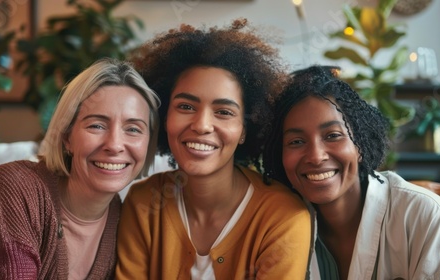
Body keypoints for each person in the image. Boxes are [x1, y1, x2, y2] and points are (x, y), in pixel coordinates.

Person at [116, 19, 312, 279]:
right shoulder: (144, 203)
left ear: (245, 128)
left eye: (223, 112)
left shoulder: (283, 217)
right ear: (164, 117)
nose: (202, 125)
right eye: (186, 107)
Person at [0, 58, 160, 279]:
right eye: (97, 125)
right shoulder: (15, 188)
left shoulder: (125, 221)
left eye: (133, 129)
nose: (114, 145)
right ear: (67, 137)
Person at [263, 65, 440, 279]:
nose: (316, 156)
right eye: (296, 141)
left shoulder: (424, 217)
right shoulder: (275, 227)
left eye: (333, 135)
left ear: (360, 145)